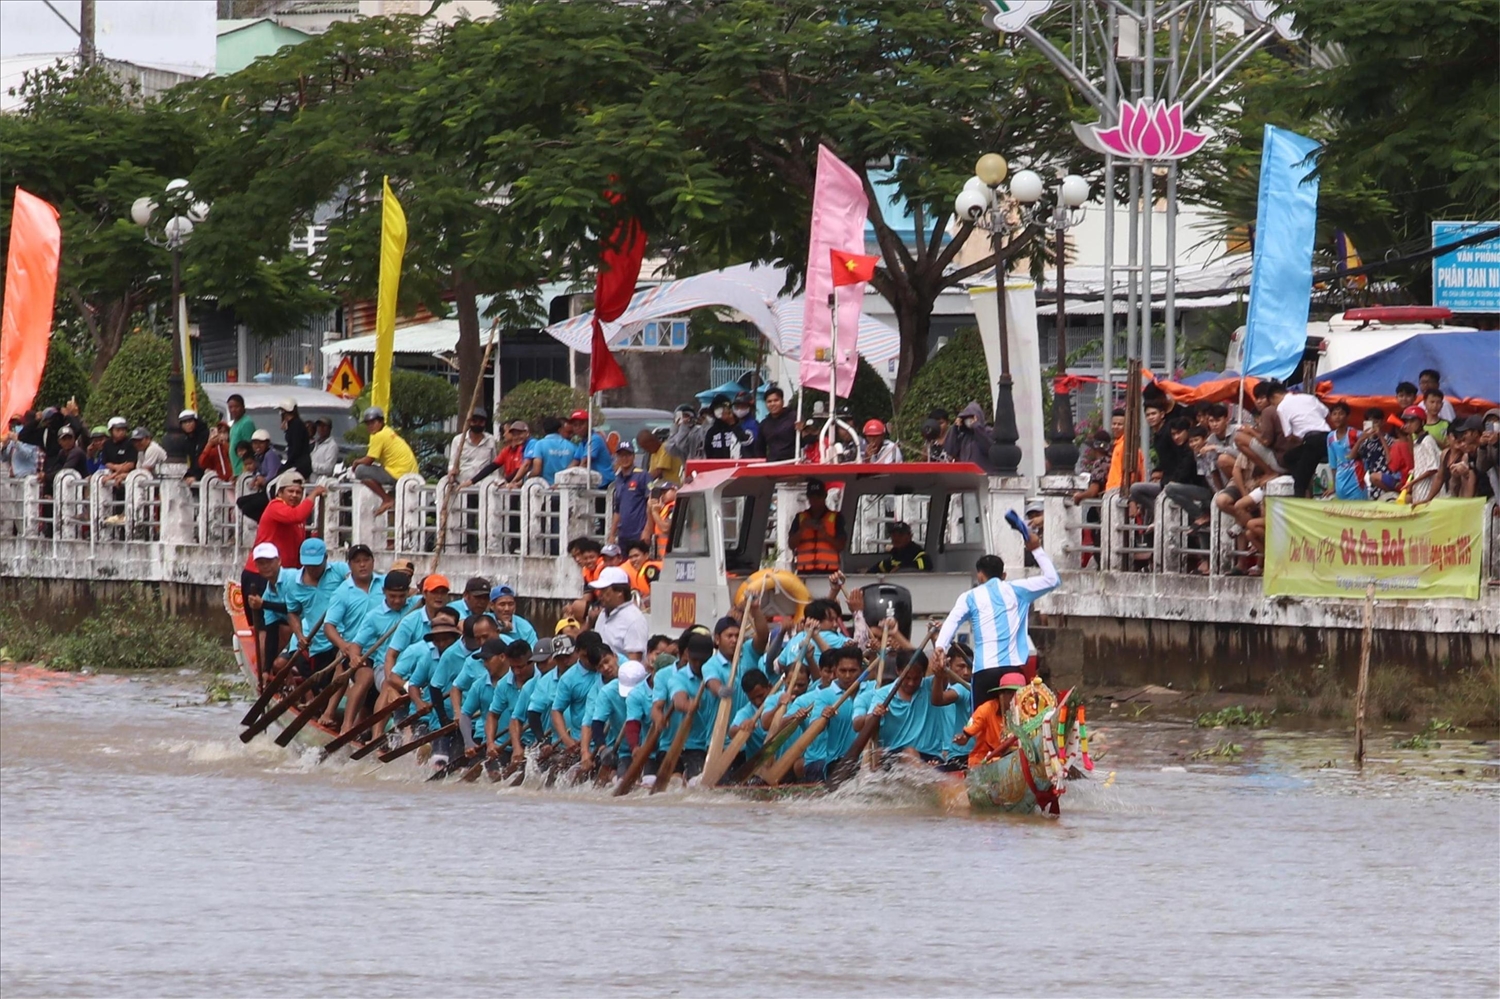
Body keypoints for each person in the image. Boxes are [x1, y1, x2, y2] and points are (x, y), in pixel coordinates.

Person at [934, 531, 1059, 705]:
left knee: (980, 723)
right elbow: (1053, 580)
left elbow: (952, 621)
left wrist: (940, 646)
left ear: (979, 576)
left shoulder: (969, 597)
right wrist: (1036, 549)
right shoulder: (1018, 589)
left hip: (984, 671)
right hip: (1012, 670)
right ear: (1004, 576)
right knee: (1015, 725)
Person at [350, 406, 417, 516]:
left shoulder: (379, 436)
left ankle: (386, 499)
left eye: (373, 422)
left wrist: (356, 462)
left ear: (380, 421)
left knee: (360, 471)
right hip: (409, 473)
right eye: (368, 423)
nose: (370, 426)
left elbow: (368, 461)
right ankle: (391, 498)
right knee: (367, 472)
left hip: (397, 473)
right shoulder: (388, 431)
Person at [551, 633, 611, 752]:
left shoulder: (610, 666)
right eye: (585, 656)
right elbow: (556, 711)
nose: (590, 660)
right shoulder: (569, 679)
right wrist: (567, 740)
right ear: (577, 652)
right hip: (584, 744)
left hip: (611, 740)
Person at [955, 670, 1029, 767]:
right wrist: (963, 738)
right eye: (1009, 693)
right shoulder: (986, 709)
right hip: (983, 763)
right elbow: (967, 733)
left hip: (1015, 761)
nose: (1014, 697)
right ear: (1000, 695)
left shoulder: (1029, 711)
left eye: (1018, 693)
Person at [588, 565, 649, 662]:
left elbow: (634, 663)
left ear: (620, 591)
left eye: (604, 590)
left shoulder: (634, 619)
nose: (599, 594)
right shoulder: (603, 614)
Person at [788, 479, 846, 574]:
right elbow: (791, 545)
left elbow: (841, 546)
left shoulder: (836, 518)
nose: (815, 500)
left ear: (825, 496)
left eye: (818, 496)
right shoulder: (800, 518)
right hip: (804, 572)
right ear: (808, 497)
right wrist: (802, 529)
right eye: (812, 496)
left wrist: (825, 535)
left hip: (829, 573)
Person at [609, 443, 653, 544]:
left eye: (628, 455)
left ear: (633, 456)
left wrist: (647, 530)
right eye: (621, 455)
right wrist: (612, 534)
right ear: (617, 457)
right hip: (623, 534)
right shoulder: (618, 479)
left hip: (639, 533)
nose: (625, 458)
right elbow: (618, 510)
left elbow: (651, 503)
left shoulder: (643, 476)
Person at [1323, 402, 1366, 500]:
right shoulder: (1330, 437)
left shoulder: (1356, 434)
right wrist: (1333, 486)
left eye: (1341, 413)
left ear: (1348, 416)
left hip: (1356, 481)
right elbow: (1333, 464)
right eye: (1334, 414)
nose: (1337, 417)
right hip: (1340, 482)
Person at [1401, 405, 1442, 504]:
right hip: (1419, 487)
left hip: (1428, 486)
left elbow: (1433, 469)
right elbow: (1413, 452)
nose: (1409, 424)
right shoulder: (1418, 441)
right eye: (1407, 422)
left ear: (1422, 422)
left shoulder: (1427, 441)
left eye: (1412, 421)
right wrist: (1409, 435)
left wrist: (1412, 482)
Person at [944, 401, 998, 473]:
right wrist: (955, 429)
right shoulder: (963, 436)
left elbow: (989, 448)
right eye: (966, 418)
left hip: (985, 476)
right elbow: (950, 450)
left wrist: (977, 427)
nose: (969, 421)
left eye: (972, 418)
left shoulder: (988, 431)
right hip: (967, 477)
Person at [522, 416, 578, 485]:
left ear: (543, 430)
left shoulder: (540, 445)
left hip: (547, 490)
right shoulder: (572, 446)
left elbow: (537, 471)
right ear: (559, 429)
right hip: (566, 489)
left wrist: (528, 476)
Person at [447, 407, 497, 484]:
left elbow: (495, 464)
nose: (477, 424)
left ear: (485, 423)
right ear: (469, 422)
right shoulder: (458, 440)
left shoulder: (491, 440)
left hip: (483, 487)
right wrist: (452, 472)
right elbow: (452, 463)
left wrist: (495, 481)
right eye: (474, 421)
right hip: (462, 485)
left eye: (481, 422)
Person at [704, 395, 753, 459]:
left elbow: (746, 442)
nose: (721, 411)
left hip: (736, 465)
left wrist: (732, 423)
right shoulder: (711, 432)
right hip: (718, 467)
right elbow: (708, 453)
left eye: (723, 408)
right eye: (717, 408)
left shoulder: (740, 425)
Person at [758, 386, 797, 462]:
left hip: (792, 464)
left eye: (776, 400)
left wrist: (803, 430)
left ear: (782, 401)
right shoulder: (764, 424)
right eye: (769, 401)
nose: (773, 404)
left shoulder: (794, 418)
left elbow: (806, 440)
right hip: (772, 465)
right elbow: (760, 449)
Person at [277, 399, 312, 478]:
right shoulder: (293, 424)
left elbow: (296, 448)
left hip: (299, 465)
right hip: (297, 463)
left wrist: (287, 465)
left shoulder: (296, 425)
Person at [226, 394, 255, 476]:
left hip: (243, 472)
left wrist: (244, 471)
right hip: (236, 471)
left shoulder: (246, 423)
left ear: (243, 407)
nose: (233, 410)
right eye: (230, 407)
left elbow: (250, 451)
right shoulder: (234, 424)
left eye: (236, 407)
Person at [176, 410, 208, 483]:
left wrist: (197, 477)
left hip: (207, 476)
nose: (187, 424)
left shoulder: (205, 435)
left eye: (190, 421)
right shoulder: (187, 439)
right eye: (184, 422)